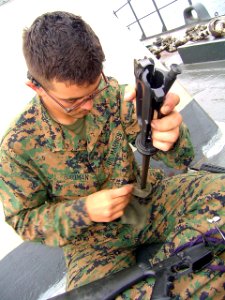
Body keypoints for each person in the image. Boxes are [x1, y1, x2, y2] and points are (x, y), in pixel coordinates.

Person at [0, 11, 224, 299]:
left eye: (94, 91)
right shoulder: (17, 148)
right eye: (72, 102)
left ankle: (172, 274)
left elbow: (181, 160)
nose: (90, 106)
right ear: (36, 87)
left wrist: (170, 136)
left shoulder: (114, 96)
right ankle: (195, 270)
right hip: (92, 241)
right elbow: (25, 220)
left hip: (147, 199)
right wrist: (84, 210)